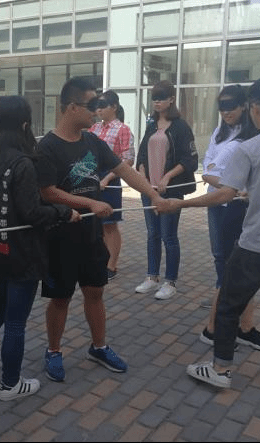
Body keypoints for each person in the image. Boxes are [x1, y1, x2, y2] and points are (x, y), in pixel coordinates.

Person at [159, 77, 260, 397]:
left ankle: (220, 370)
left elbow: (224, 195)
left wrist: (179, 203)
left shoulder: (251, 149)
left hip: (256, 246)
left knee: (228, 306)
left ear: (254, 108)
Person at [35, 77, 164, 382]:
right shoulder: (47, 147)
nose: (96, 110)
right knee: (61, 298)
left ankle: (99, 346)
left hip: (91, 236)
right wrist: (89, 203)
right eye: (91, 104)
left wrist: (154, 195)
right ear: (72, 107)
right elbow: (47, 191)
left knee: (95, 292)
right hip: (61, 237)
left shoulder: (93, 142)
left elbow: (124, 170)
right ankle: (53, 350)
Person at [0, 96, 79, 400]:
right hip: (20, 254)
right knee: (15, 321)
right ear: (25, 124)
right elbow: (31, 213)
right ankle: (10, 384)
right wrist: (63, 212)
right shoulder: (22, 163)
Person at [199, 85, 260, 352]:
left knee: (241, 266)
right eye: (221, 106)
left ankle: (241, 327)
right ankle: (219, 328)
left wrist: (231, 185)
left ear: (244, 106)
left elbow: (217, 172)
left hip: (240, 207)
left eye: (231, 105)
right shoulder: (219, 133)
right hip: (218, 204)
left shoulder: (254, 135)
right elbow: (207, 169)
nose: (226, 111)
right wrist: (230, 186)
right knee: (225, 263)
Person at [134, 80, 198, 300]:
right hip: (149, 190)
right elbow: (142, 154)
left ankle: (170, 282)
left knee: (169, 236)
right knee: (153, 234)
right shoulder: (151, 125)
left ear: (171, 99)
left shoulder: (181, 127)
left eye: (161, 98)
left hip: (170, 191)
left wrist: (168, 176)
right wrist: (142, 175)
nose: (157, 102)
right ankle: (152, 277)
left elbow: (189, 159)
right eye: (154, 98)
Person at [89, 90, 134, 280]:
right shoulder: (94, 128)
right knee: (96, 223)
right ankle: (99, 260)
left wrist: (107, 178)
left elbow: (128, 159)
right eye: (96, 107)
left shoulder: (122, 129)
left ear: (114, 107)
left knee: (109, 224)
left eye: (102, 106)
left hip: (111, 178)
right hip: (93, 177)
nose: (98, 110)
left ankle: (111, 265)